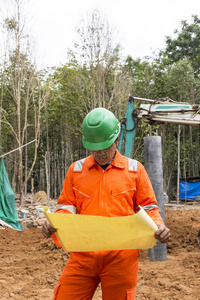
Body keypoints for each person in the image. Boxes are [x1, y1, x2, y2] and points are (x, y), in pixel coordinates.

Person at [42, 107, 170, 300]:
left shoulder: (135, 170)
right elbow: (66, 207)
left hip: (121, 257)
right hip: (83, 254)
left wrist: (158, 225)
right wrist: (55, 222)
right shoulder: (76, 171)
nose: (99, 153)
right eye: (94, 148)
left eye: (105, 147)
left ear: (117, 140)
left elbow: (149, 207)